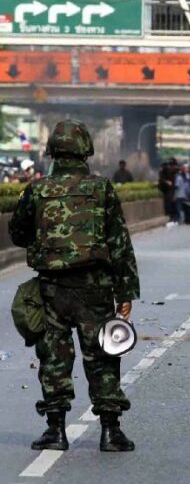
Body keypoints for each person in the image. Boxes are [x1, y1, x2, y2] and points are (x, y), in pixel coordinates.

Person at [9, 119, 139, 452]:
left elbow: (18, 232)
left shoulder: (38, 189)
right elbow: (119, 244)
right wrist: (126, 294)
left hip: (51, 289)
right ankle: (111, 432)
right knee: (102, 358)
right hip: (95, 289)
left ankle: (56, 431)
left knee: (53, 358)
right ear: (85, 151)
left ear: (52, 151)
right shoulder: (101, 188)